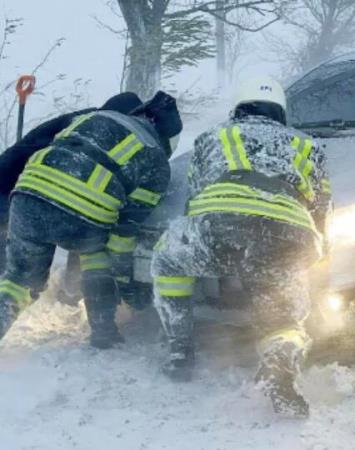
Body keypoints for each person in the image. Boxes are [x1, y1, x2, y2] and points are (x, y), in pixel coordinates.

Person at [151, 76, 332, 417]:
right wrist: (313, 258)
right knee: (284, 316)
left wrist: (209, 243)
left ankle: (180, 349)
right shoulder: (309, 145)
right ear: (281, 112)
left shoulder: (213, 137)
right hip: (286, 233)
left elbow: (195, 196)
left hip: (220, 224)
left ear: (237, 108)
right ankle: (280, 361)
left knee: (168, 260)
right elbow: (322, 210)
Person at [0, 91, 182, 349]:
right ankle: (104, 333)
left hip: (27, 196)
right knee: (97, 260)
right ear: (167, 141)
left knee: (18, 280)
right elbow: (123, 234)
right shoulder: (157, 162)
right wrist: (124, 281)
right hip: (82, 216)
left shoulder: (94, 117)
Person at [0, 92, 144, 273]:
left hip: (23, 178)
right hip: (14, 183)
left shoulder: (87, 120)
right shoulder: (97, 130)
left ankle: (64, 289)